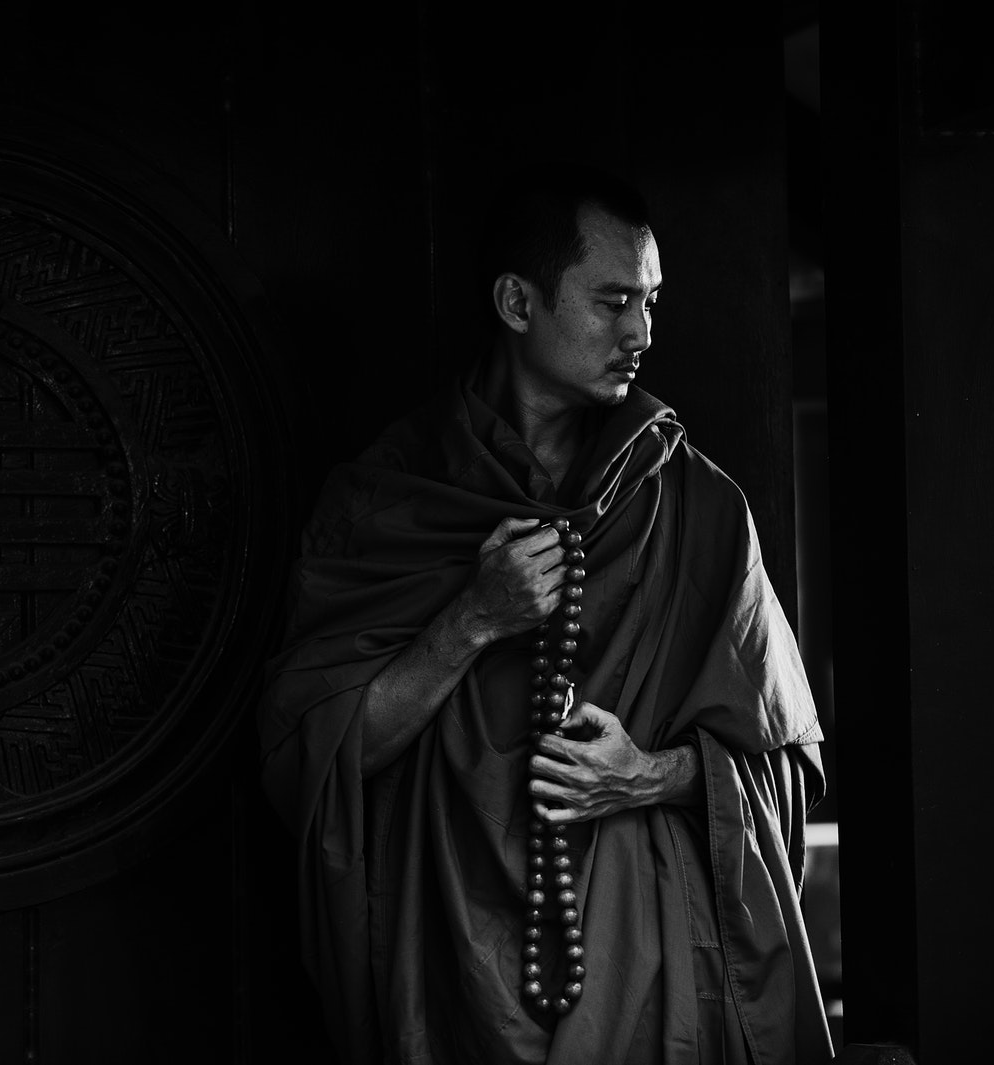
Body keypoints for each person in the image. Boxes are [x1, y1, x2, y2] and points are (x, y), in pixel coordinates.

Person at [256, 167, 833, 1064]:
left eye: (650, 301)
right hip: (441, 970)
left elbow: (787, 765)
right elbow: (317, 755)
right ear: (518, 303)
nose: (641, 332)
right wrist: (470, 622)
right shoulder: (388, 502)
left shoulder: (695, 508)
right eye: (612, 302)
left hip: (645, 980)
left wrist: (647, 774)